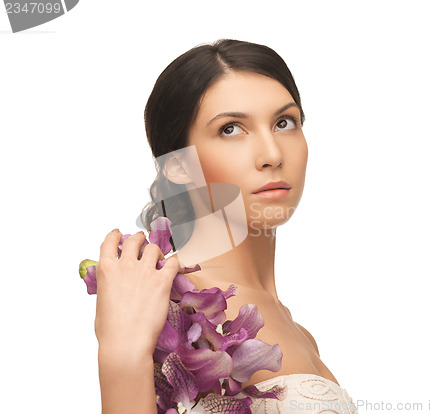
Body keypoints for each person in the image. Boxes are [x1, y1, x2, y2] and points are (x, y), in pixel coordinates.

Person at [95, 39, 358, 414]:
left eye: (285, 122)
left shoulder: (296, 330)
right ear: (178, 165)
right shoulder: (164, 308)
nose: (272, 155)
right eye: (231, 129)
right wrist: (120, 353)